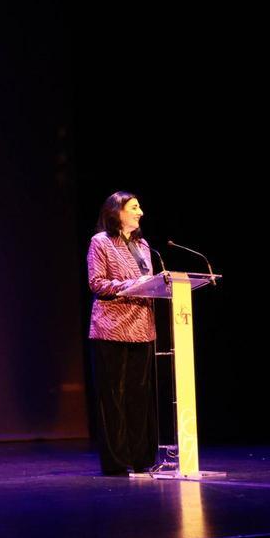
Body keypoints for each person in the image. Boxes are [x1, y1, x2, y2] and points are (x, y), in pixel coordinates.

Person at [87, 191, 160, 475]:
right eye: (134, 207)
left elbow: (151, 283)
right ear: (116, 212)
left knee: (139, 397)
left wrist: (152, 284)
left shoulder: (143, 245)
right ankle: (118, 463)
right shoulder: (101, 242)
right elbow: (96, 282)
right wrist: (132, 284)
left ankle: (142, 459)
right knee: (113, 398)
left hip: (142, 327)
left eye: (139, 207)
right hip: (111, 328)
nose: (140, 212)